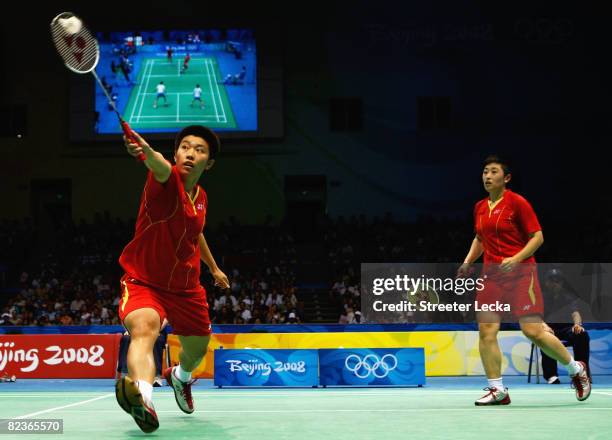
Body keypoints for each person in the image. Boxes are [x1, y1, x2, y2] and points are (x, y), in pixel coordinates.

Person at [114, 125, 229, 433]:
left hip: (186, 290)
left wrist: (214, 268)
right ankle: (143, 397)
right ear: (176, 153)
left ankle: (180, 377)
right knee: (144, 329)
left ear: (210, 163)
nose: (191, 153)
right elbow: (155, 161)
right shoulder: (164, 180)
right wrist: (143, 151)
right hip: (144, 281)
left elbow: (195, 231)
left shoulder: (201, 197)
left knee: (195, 351)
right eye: (185, 147)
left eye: (200, 150)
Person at [458, 155, 591, 406]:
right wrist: (467, 261)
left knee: (532, 331)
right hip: (491, 276)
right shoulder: (479, 207)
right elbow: (480, 238)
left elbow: (537, 237)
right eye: (485, 171)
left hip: (521, 275)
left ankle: (576, 369)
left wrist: (516, 259)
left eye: (493, 172)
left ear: (506, 178)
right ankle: (497, 389)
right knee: (486, 331)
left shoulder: (517, 202)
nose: (487, 176)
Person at [541, 268, 592, 384]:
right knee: (544, 336)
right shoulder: (541, 297)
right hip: (548, 329)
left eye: (557, 281)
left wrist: (577, 325)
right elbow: (537, 316)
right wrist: (543, 325)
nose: (554, 284)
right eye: (551, 280)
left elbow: (576, 313)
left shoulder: (569, 297)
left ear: (562, 283)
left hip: (566, 329)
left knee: (582, 334)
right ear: (546, 282)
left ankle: (581, 373)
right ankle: (551, 375)